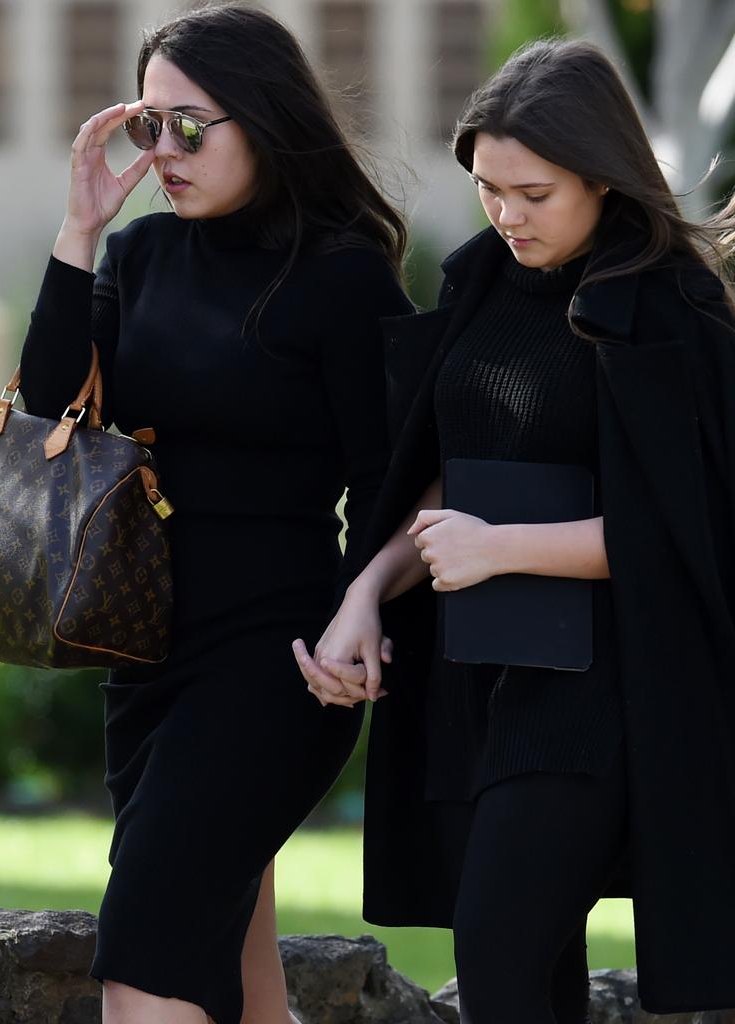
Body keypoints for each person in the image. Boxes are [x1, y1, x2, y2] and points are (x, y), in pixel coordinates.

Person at [294, 38, 735, 1024]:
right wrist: (364, 594)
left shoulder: (668, 310)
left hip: (604, 699)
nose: (505, 213)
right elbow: (444, 477)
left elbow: (693, 529)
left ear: (602, 180)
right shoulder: (481, 282)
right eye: (489, 187)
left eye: (533, 193)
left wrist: (504, 547)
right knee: (533, 978)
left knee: (498, 957)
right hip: (478, 680)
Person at [18, 4, 411, 1022]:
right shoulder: (141, 255)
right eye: (148, 126)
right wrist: (81, 228)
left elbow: (393, 477)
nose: (164, 151)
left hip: (277, 661)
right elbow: (54, 406)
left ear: (266, 120)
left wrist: (360, 606)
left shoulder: (341, 277)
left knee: (143, 957)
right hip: (142, 651)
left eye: (189, 125)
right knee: (238, 972)